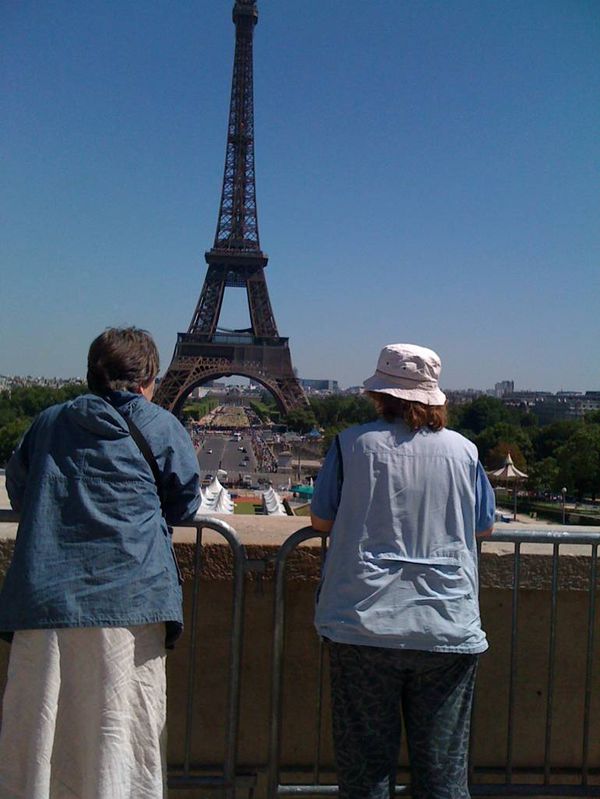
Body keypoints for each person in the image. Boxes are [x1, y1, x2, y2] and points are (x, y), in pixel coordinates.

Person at [0, 327, 201, 799]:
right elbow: (184, 501)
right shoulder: (160, 425)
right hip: (132, 599)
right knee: (124, 735)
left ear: (91, 375)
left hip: (46, 598)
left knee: (41, 737)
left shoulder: (48, 422)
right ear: (148, 378)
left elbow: (22, 488)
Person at [310, 343, 495, 799]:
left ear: (380, 394)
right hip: (445, 623)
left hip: (363, 621)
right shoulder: (466, 452)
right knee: (444, 777)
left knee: (366, 773)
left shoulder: (350, 444)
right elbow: (484, 526)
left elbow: (322, 520)